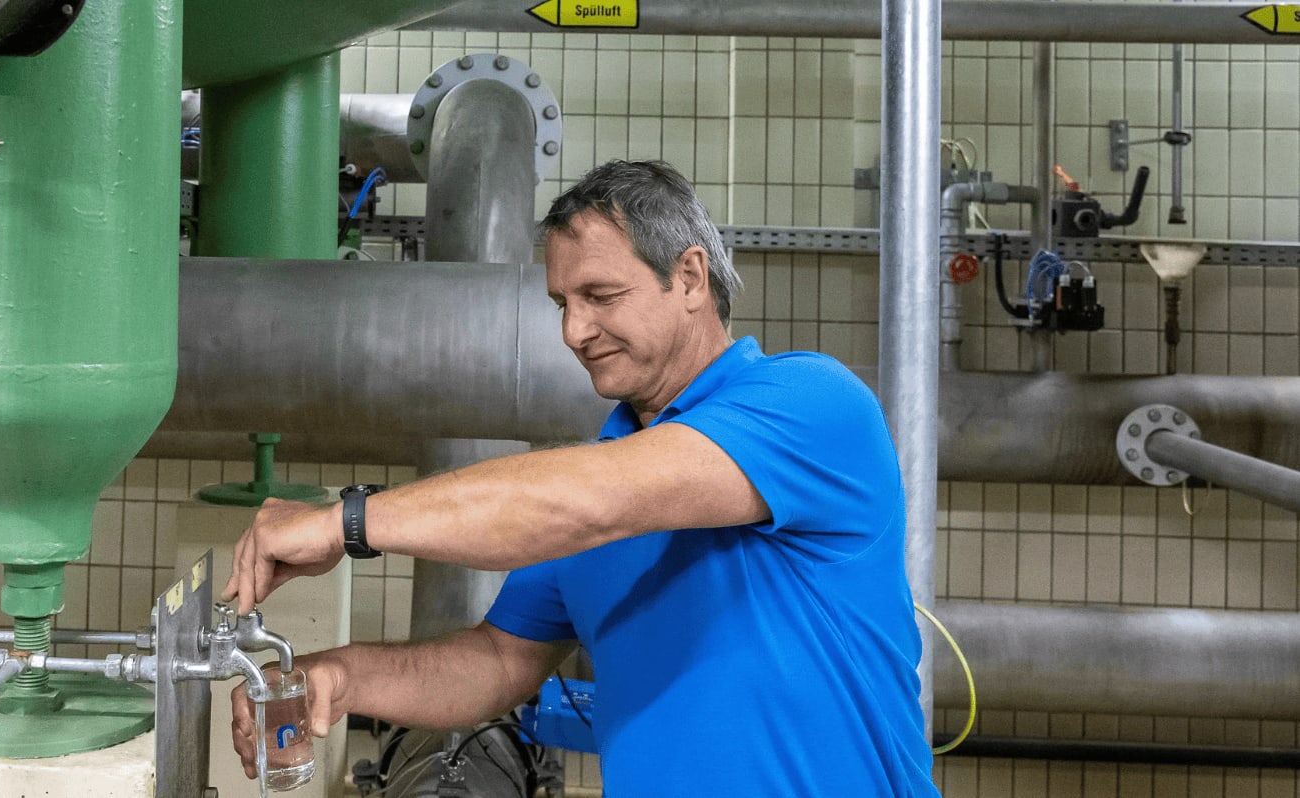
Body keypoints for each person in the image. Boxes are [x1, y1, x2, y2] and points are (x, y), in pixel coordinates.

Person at [223, 159, 934, 795]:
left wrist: (346, 522)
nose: (573, 332)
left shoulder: (808, 404)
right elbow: (498, 662)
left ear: (688, 278)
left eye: (601, 295)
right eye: (563, 304)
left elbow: (584, 501)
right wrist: (341, 677)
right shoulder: (603, 467)